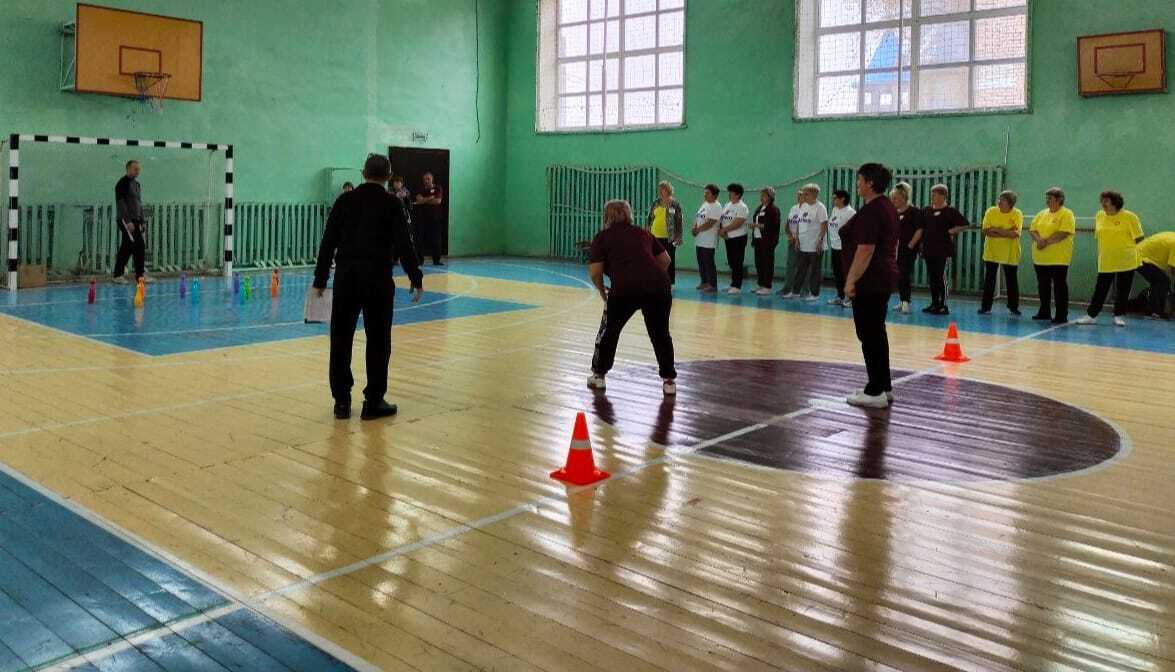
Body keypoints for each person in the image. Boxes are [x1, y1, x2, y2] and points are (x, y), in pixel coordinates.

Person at [313, 154, 423, 421]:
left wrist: (320, 279)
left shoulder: (344, 201)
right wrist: (415, 276)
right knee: (378, 341)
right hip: (378, 280)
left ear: (363, 173)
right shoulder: (392, 204)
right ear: (388, 176)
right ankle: (373, 401)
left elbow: (328, 242)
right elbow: (404, 244)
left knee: (341, 340)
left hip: (346, 279)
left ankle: (341, 402)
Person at [587, 200, 677, 396]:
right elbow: (666, 260)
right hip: (659, 287)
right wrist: (651, 278)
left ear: (606, 217)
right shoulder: (643, 233)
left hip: (624, 288)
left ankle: (599, 376)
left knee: (610, 331)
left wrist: (602, 291)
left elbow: (595, 272)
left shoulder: (602, 237)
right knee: (660, 334)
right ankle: (669, 381)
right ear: (629, 215)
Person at [841, 163, 899, 409]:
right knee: (876, 333)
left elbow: (865, 250)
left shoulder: (872, 211)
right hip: (881, 278)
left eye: (860, 179)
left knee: (869, 335)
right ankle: (883, 386)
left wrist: (850, 280)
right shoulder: (887, 207)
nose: (857, 184)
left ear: (870, 183)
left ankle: (875, 391)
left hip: (870, 280)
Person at [1077, 190, 1144, 327]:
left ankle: (1118, 316)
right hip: (1106, 259)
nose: (1102, 203)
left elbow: (1139, 238)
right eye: (1102, 200)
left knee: (1123, 289)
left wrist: (1125, 249)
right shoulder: (1100, 215)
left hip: (1126, 259)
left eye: (1106, 201)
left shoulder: (1130, 217)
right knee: (1100, 288)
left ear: (1115, 202)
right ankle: (1091, 315)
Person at [1029, 187, 1077, 324]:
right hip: (1040, 257)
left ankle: (1061, 315)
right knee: (1043, 285)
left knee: (1059, 285)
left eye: (1050, 198)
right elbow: (1032, 230)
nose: (1047, 201)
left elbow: (1063, 233)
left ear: (1059, 199)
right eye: (1047, 198)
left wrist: (1045, 242)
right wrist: (1038, 240)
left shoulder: (1066, 214)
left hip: (1059, 258)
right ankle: (1044, 311)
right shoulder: (1041, 214)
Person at [920, 184, 969, 315]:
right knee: (932, 277)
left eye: (935, 194)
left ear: (943, 196)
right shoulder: (926, 210)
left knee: (940, 277)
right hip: (929, 248)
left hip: (943, 250)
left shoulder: (950, 211)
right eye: (932, 194)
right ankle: (934, 303)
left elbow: (965, 224)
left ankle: (943, 305)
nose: (932, 197)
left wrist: (952, 230)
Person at [979, 190, 1024, 316]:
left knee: (1011, 279)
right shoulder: (991, 211)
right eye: (999, 199)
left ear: (1010, 203)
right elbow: (986, 231)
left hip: (1010, 252)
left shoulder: (1017, 214)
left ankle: (1013, 307)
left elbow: (1015, 234)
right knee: (989, 279)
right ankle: (986, 307)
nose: (999, 202)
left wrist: (996, 229)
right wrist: (1006, 232)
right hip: (992, 251)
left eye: (1002, 200)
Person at [784, 184, 829, 301]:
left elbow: (824, 225)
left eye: (806, 194)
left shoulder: (820, 207)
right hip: (803, 244)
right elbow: (799, 223)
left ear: (814, 194)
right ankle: (795, 292)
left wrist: (820, 240)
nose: (803, 196)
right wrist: (797, 239)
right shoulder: (803, 206)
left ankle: (814, 294)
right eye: (803, 193)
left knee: (814, 270)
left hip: (815, 246)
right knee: (800, 270)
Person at [113, 160, 148, 284]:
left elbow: (139, 203)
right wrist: (128, 221)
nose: (137, 171)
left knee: (137, 246)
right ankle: (118, 275)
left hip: (136, 220)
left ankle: (140, 276)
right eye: (135, 169)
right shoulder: (122, 183)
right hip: (126, 220)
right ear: (128, 169)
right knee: (130, 246)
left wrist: (142, 220)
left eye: (139, 169)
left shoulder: (137, 185)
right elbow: (121, 204)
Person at [891, 182, 922, 314]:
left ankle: (906, 302)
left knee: (904, 274)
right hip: (895, 249)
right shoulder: (893, 212)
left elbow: (919, 230)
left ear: (904, 198)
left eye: (895, 198)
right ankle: (902, 299)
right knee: (898, 275)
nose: (893, 201)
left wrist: (911, 245)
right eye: (892, 198)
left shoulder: (914, 212)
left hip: (908, 249)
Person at [645, 181, 683, 285]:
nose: (662, 191)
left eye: (664, 189)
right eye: (661, 189)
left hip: (670, 237)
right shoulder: (656, 202)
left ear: (669, 190)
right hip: (655, 236)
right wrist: (647, 230)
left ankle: (669, 281)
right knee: (655, 259)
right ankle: (656, 279)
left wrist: (678, 236)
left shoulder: (675, 204)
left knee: (670, 259)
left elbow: (679, 220)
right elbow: (650, 217)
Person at [719, 183, 750, 294]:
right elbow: (722, 219)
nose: (729, 194)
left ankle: (737, 286)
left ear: (738, 194)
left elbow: (738, 222)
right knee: (731, 261)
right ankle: (732, 283)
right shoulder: (728, 205)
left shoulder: (742, 207)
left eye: (731, 192)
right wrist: (722, 231)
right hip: (728, 238)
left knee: (737, 261)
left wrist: (725, 229)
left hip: (738, 238)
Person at [1136, 231, 1174, 320]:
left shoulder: (1172, 237)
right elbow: (1173, 269)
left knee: (1160, 281)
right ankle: (1155, 312)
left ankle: (1154, 311)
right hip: (1140, 258)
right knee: (1162, 281)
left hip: (1140, 256)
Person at [827, 189, 856, 306]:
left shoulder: (851, 213)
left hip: (845, 249)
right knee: (837, 273)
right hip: (835, 247)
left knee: (846, 273)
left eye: (835, 198)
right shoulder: (835, 209)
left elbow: (854, 232)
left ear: (842, 198)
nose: (833, 200)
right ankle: (840, 296)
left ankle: (850, 298)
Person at [751, 187, 782, 295]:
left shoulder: (773, 209)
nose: (761, 197)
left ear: (770, 197)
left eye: (764, 195)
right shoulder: (760, 208)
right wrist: (755, 227)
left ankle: (767, 286)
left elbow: (772, 225)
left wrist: (757, 225)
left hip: (768, 241)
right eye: (761, 195)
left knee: (767, 263)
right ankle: (761, 284)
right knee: (759, 262)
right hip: (758, 239)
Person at [692, 184, 722, 293]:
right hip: (699, 239)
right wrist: (694, 227)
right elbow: (698, 217)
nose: (705, 194)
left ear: (714, 195)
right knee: (701, 262)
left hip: (709, 240)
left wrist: (698, 229)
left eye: (707, 193)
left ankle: (713, 285)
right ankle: (704, 282)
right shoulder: (705, 204)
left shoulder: (716, 206)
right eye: (704, 192)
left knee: (708, 262)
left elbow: (711, 222)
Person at [414, 172, 445, 266]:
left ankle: (436, 260)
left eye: (428, 179)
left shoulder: (438, 188)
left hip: (435, 219)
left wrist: (424, 200)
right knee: (419, 240)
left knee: (436, 240)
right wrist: (430, 198)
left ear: (432, 179)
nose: (426, 181)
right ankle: (420, 260)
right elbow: (419, 200)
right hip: (422, 219)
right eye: (425, 179)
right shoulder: (420, 189)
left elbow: (438, 201)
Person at [780, 190, 804, 297]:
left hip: (804, 242)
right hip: (792, 241)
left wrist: (798, 238)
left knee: (803, 267)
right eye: (798, 195)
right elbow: (787, 224)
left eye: (801, 195)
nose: (799, 197)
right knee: (790, 265)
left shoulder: (809, 209)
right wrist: (790, 236)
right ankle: (787, 288)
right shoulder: (793, 208)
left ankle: (802, 290)